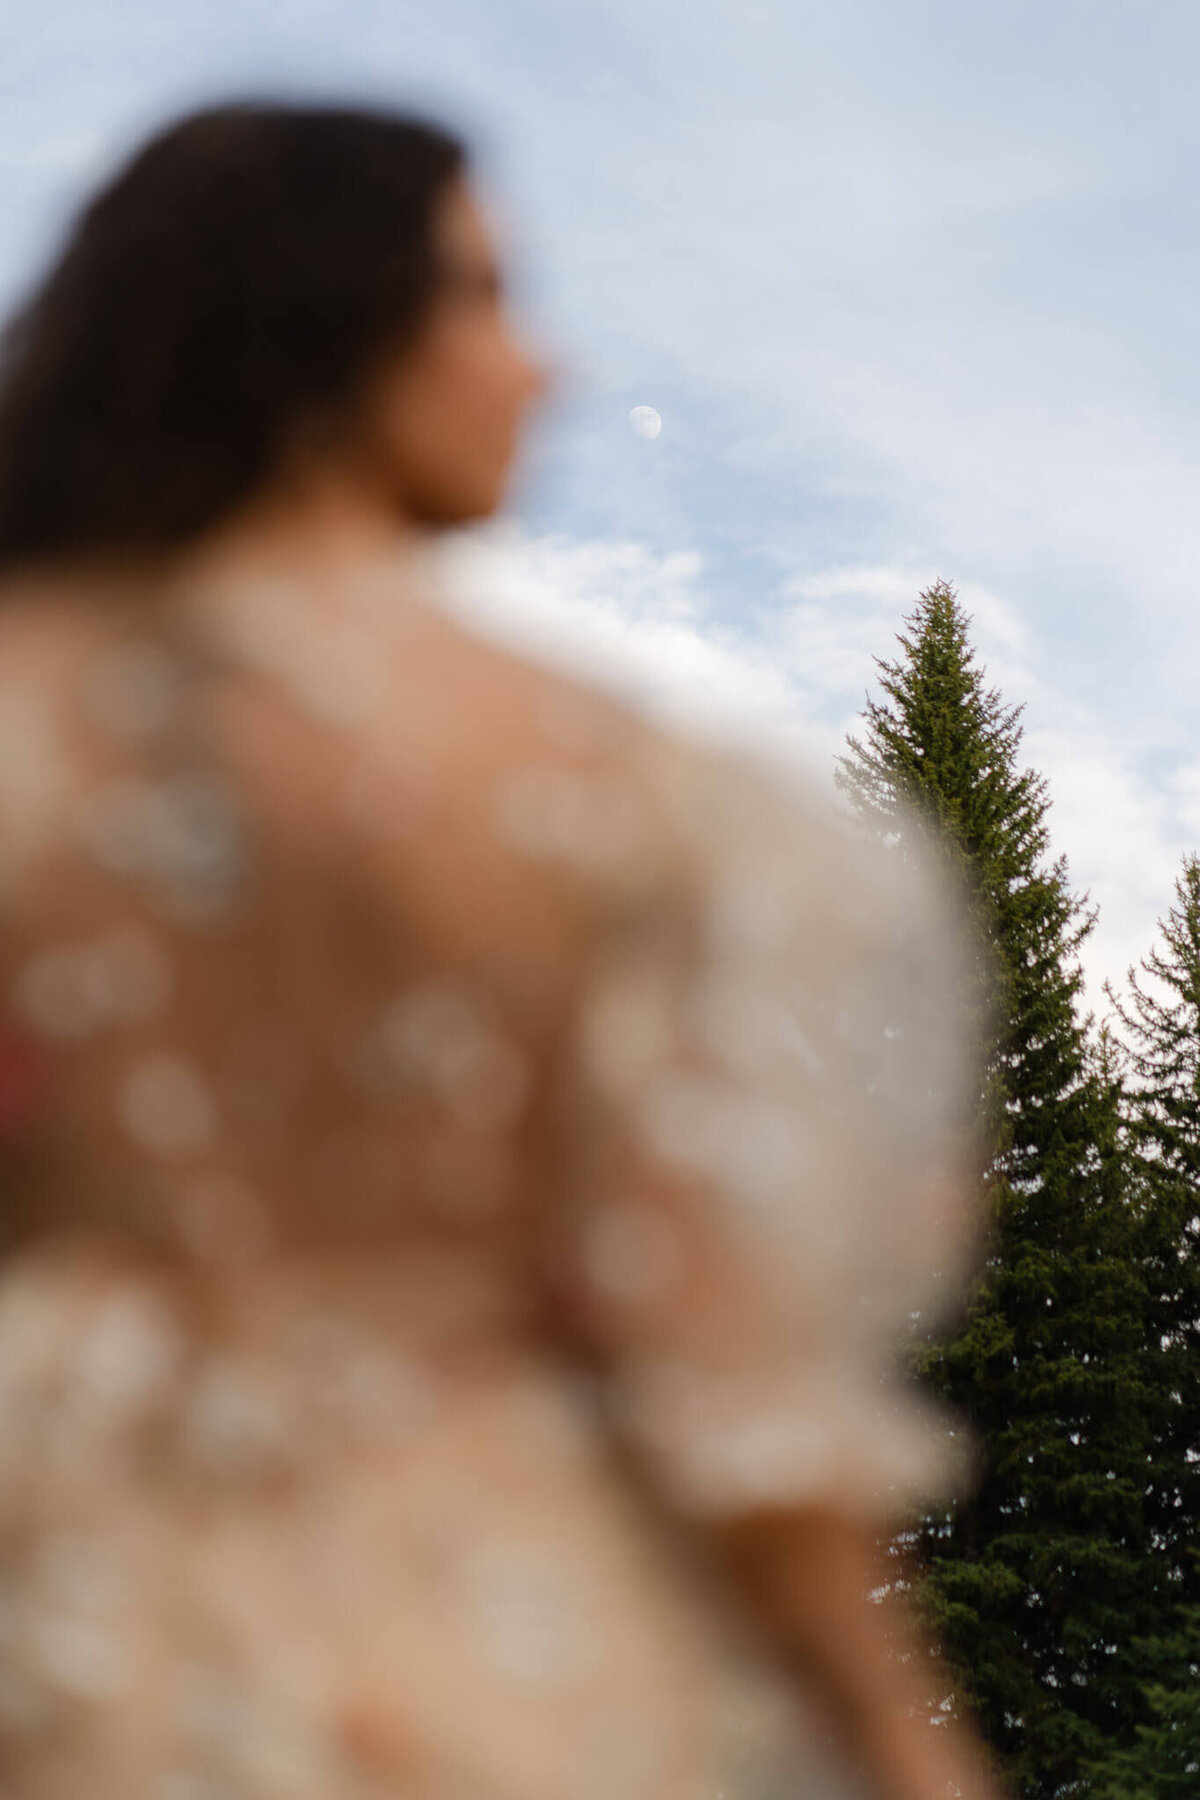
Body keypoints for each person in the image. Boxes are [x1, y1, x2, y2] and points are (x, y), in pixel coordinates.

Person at [0, 100, 1000, 1800]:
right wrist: (908, 1749)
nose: (541, 369)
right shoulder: (608, 796)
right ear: (318, 327)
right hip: (485, 1670)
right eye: (480, 296)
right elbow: (734, 1402)